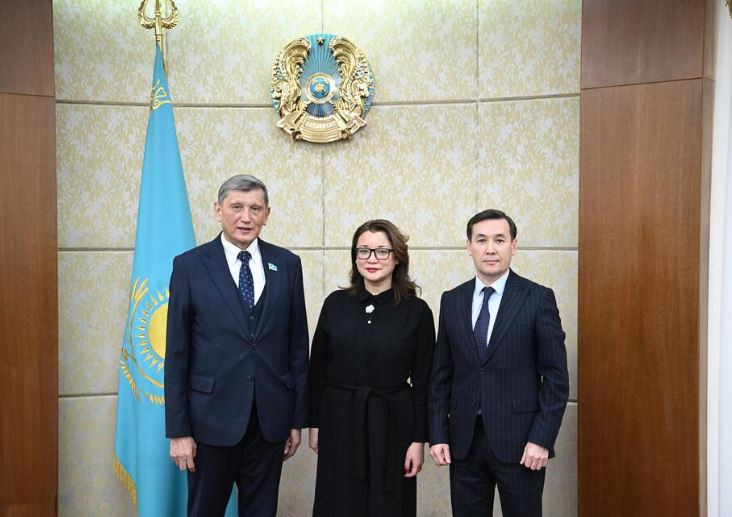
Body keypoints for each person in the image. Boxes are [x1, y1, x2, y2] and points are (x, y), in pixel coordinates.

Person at [164, 174, 309, 517]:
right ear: (218, 211)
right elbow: (177, 354)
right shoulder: (189, 266)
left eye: (255, 209)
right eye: (236, 207)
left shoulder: (287, 265)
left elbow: (297, 347)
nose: (246, 217)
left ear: (267, 215)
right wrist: (179, 431)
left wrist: (296, 419)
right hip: (209, 422)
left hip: (269, 422)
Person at [428, 209, 569, 517]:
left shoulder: (537, 298)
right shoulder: (452, 300)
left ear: (513, 246)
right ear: (469, 247)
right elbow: (441, 375)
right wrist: (438, 433)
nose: (490, 249)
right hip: (464, 443)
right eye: (481, 240)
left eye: (499, 240)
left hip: (521, 444)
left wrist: (541, 439)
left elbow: (556, 379)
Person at [308, 219, 435, 517]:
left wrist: (418, 439)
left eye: (381, 251)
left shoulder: (417, 312)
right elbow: (317, 371)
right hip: (339, 421)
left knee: (387, 506)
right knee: (339, 503)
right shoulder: (335, 304)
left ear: (397, 257)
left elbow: (424, 382)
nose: (372, 259)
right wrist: (315, 423)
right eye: (363, 251)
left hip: (393, 425)